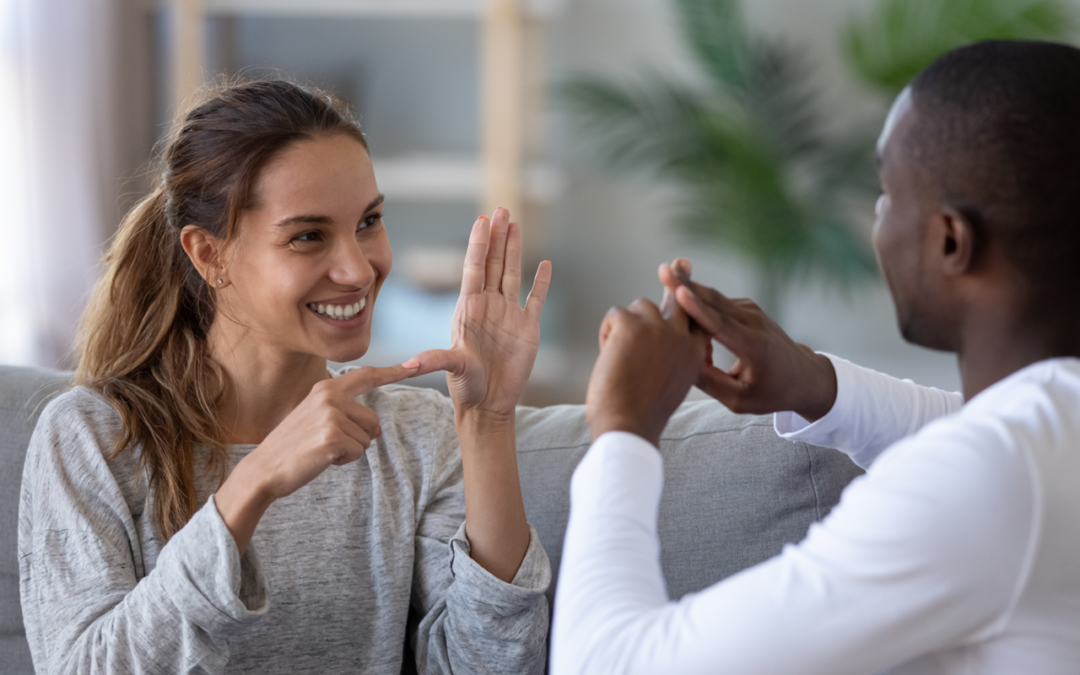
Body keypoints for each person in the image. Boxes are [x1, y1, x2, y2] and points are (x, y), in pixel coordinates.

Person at [551, 40, 1080, 674]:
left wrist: (623, 430)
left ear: (949, 240)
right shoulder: (1048, 432)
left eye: (887, 194)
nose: (878, 218)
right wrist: (815, 385)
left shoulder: (993, 477)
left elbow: (608, 663)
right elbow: (973, 428)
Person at [18, 80, 553, 674]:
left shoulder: (415, 436)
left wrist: (487, 423)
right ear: (209, 255)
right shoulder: (91, 436)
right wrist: (256, 481)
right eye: (307, 236)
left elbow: (489, 668)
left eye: (369, 221)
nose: (358, 269)